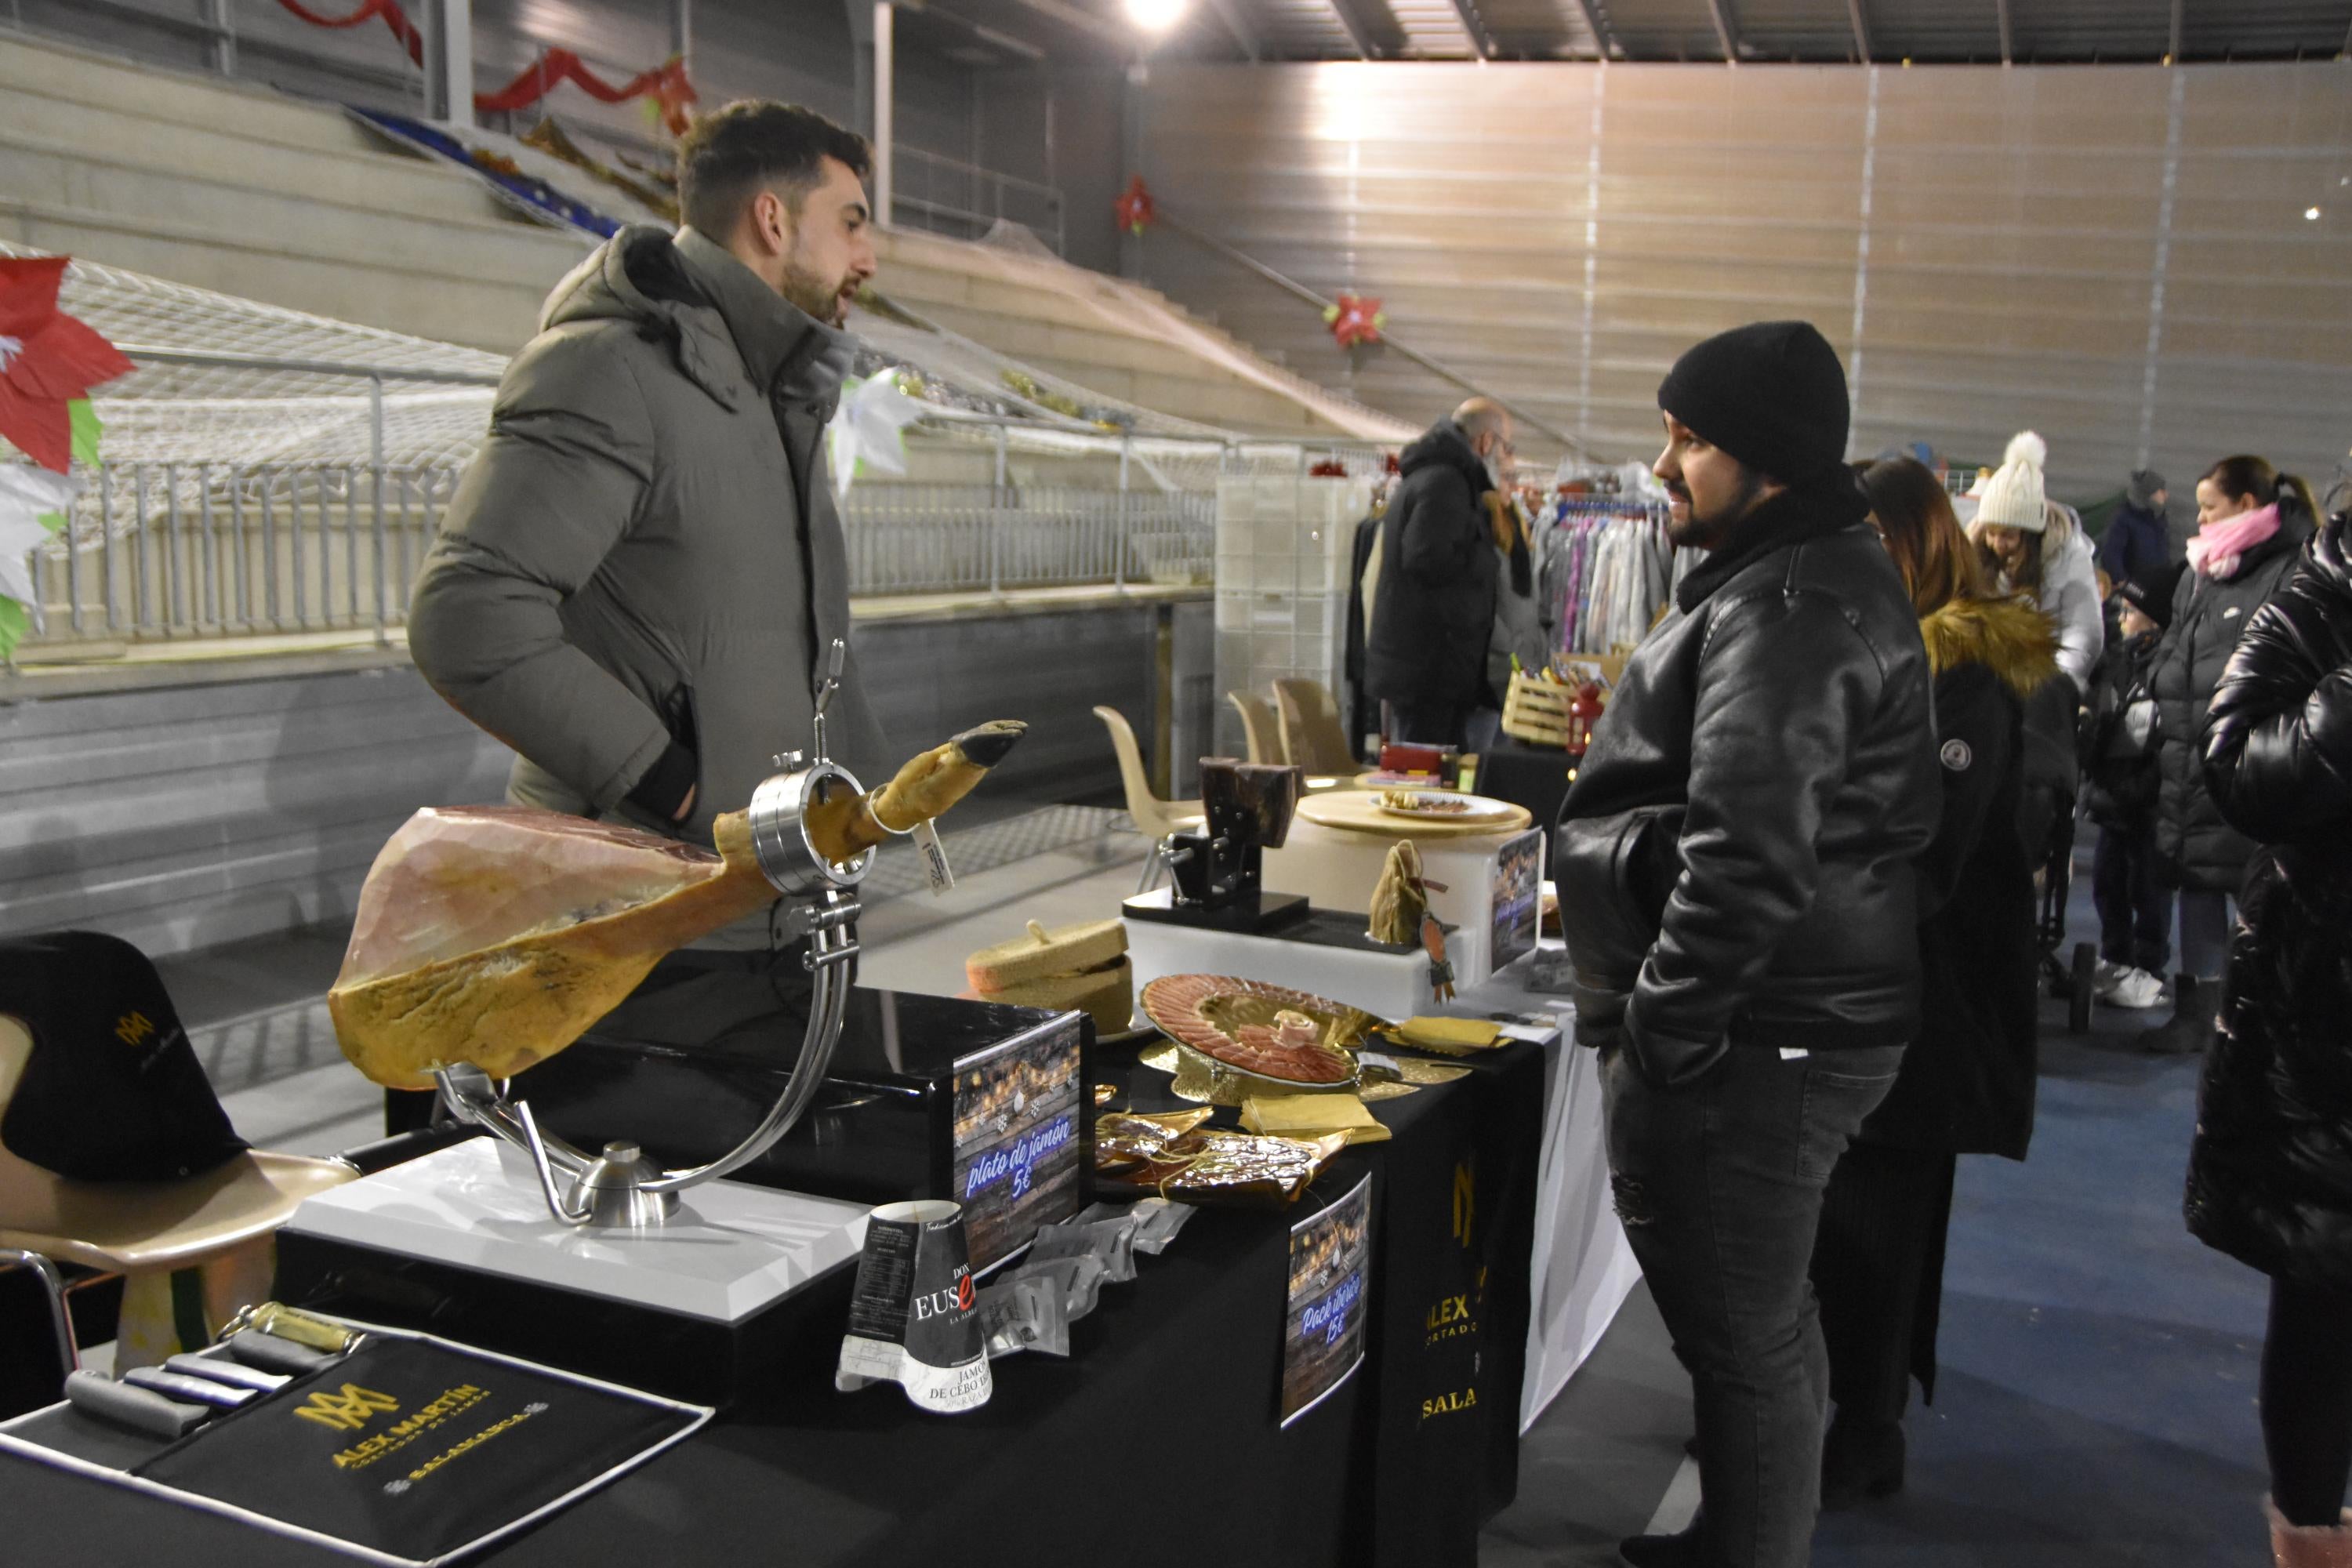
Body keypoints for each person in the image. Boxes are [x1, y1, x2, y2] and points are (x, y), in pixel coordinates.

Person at [1553, 321, 1940, 1568]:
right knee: (1761, 1326)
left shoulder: (1790, 600)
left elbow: (1749, 857)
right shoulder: (1789, 577)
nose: (1663, 467)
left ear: (1764, 458)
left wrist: (1663, 1033)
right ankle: (1738, 1531)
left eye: (1690, 441)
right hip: (1789, 1024)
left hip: (1762, 1039)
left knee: (1747, 1344)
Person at [408, 100, 889, 949]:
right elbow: (467, 618)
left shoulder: (768, 391)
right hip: (634, 915)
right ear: (772, 220)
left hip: (764, 898)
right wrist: (675, 789)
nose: (868, 256)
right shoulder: (610, 369)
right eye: (851, 223)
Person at [1809, 456, 2055, 1507]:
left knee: (1879, 1218)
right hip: (1905, 984)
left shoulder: (1962, 673)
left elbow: (1931, 859)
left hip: (1924, 996)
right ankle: (1863, 1419)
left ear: (1906, 542)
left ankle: (1866, 1433)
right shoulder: (1926, 655)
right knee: (1877, 1215)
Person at [2189, 497, 2352, 1565]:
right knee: (2327, 1296)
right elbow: (2237, 763)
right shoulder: (2330, 585)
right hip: (2331, 1024)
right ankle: (2311, 1530)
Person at [2138, 455, 2320, 1052]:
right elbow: (2174, 645)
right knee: (2193, 876)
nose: (2201, 516)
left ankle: (2249, 1010)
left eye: (2211, 505)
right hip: (2190, 753)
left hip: (2250, 755)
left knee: (2253, 885)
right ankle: (2195, 1007)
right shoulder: (2200, 570)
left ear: (2246, 505)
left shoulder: (2291, 569)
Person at [1364, 397, 1515, 749]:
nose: (1509, 456)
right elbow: (1426, 559)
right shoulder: (1445, 484)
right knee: (1423, 783)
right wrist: (1483, 563)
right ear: (1486, 442)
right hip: (1428, 675)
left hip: (1429, 672)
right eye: (1507, 446)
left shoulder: (1440, 478)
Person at [2081, 561, 2187, 1011]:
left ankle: (2149, 967)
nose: (2122, 619)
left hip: (2148, 803)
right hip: (2112, 799)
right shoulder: (2118, 662)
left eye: (2131, 612)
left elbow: (2165, 739)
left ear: (2156, 619)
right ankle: (2115, 956)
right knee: (2108, 882)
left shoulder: (2169, 668)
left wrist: (2143, 787)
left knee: (2149, 888)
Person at [2100, 468, 2172, 586]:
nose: (2166, 495)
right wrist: (2124, 585)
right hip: (2132, 592)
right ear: (2148, 495)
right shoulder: (2122, 520)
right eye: (2161, 490)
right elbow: (2111, 557)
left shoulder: (2157, 518)